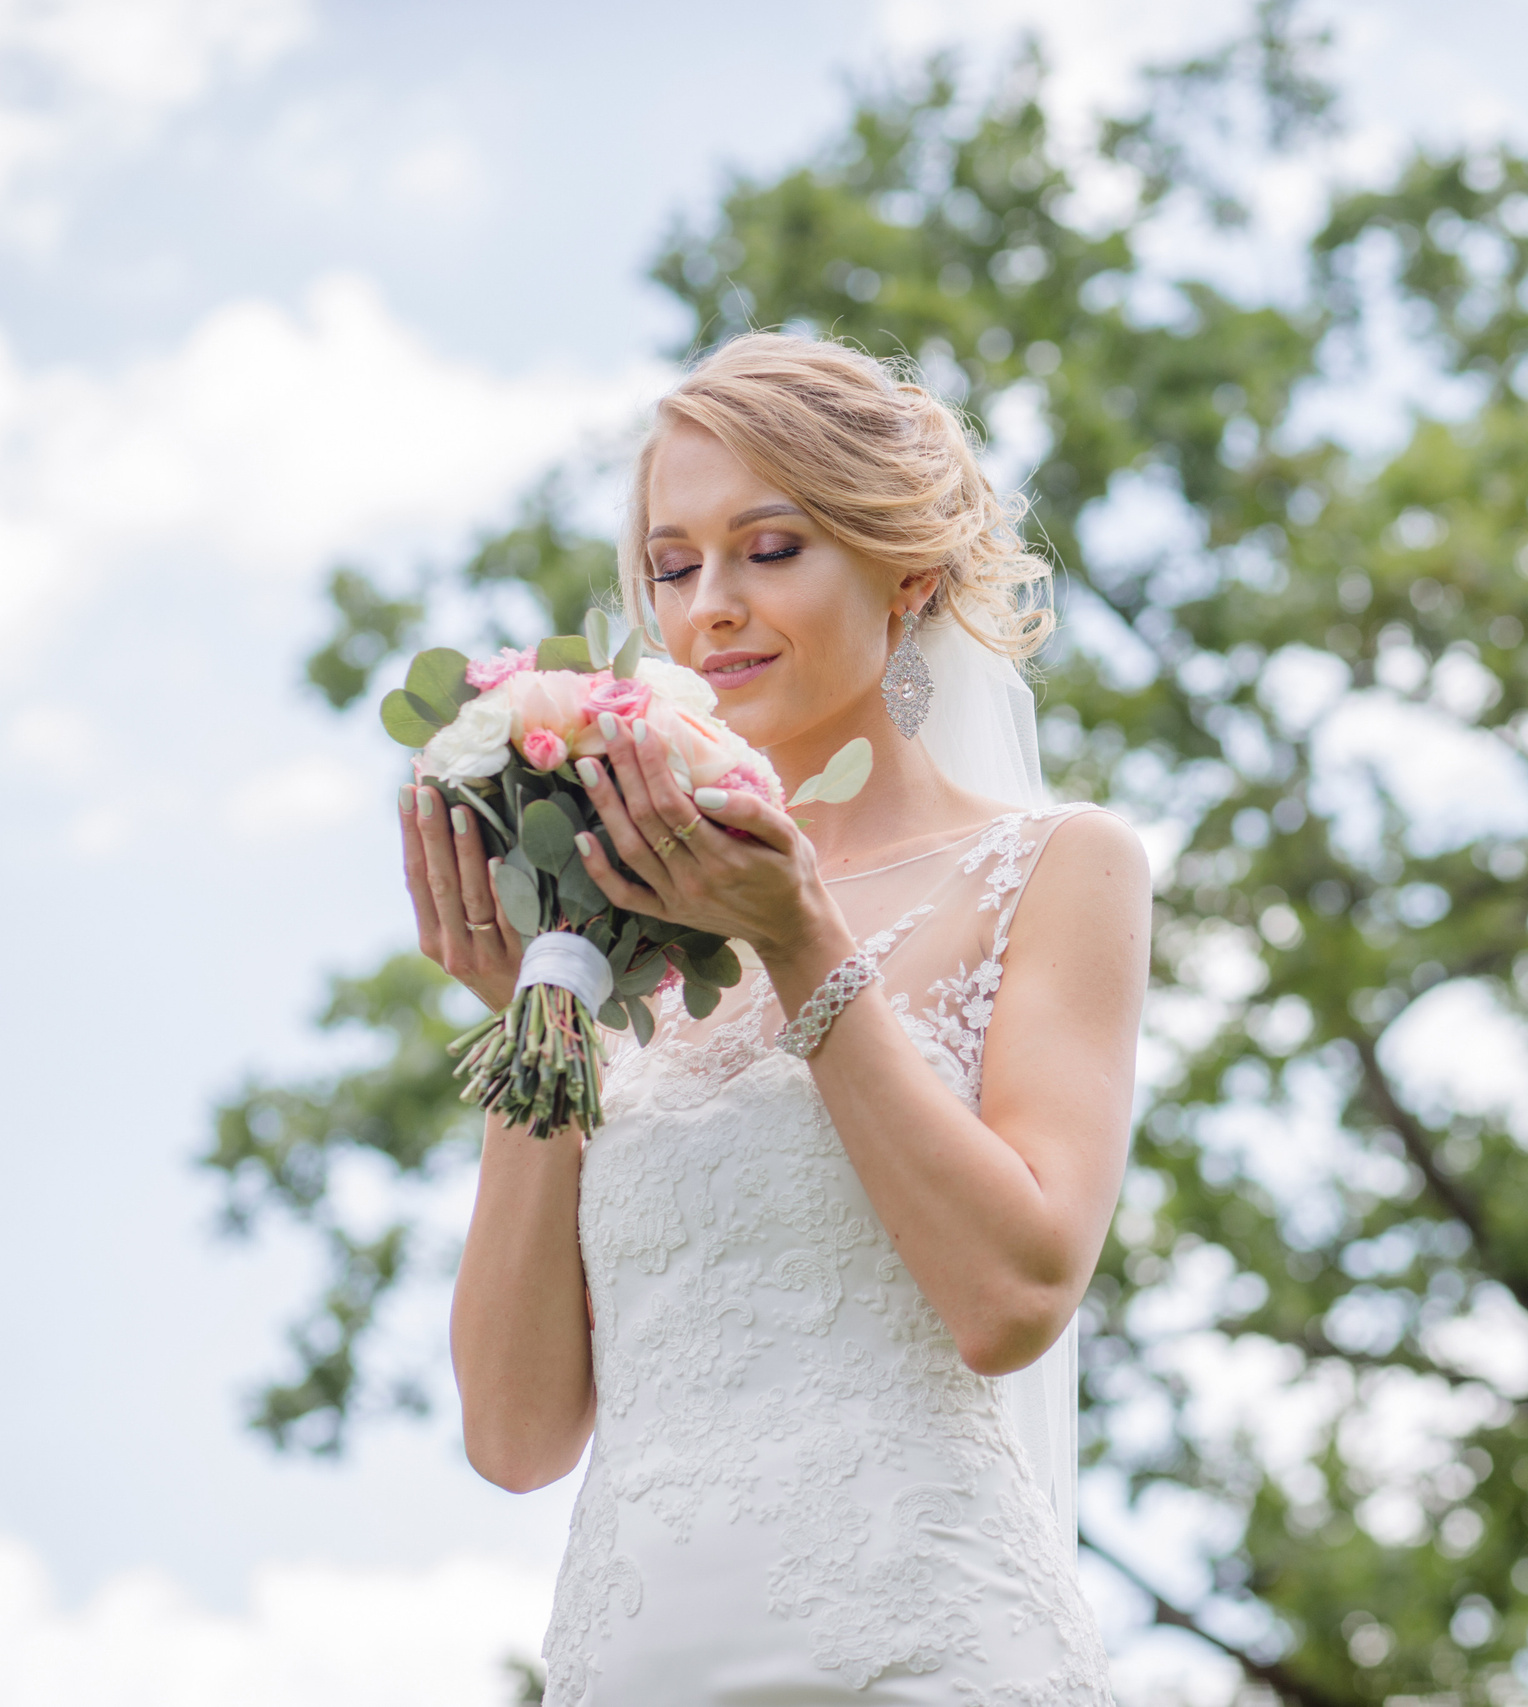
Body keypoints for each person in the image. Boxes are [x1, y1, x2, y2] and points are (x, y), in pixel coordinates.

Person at [401, 333, 1150, 1705]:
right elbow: (514, 1434)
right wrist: (541, 1015)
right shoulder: (611, 945)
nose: (713, 609)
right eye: (675, 567)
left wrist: (800, 939)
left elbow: (1014, 1296)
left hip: (920, 1654)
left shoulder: (1057, 868)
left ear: (907, 575)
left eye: (771, 549)